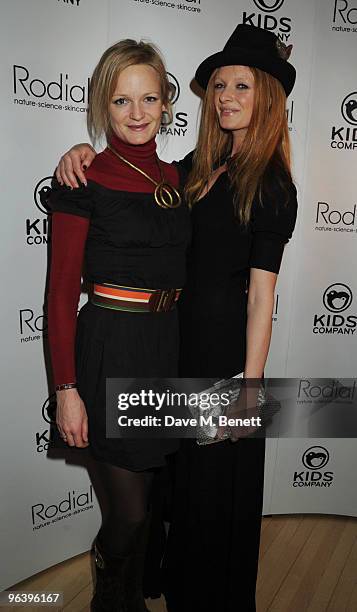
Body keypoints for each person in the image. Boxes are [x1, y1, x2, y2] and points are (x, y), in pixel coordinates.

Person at [55, 24, 297, 612]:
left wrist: (251, 384)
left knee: (212, 499)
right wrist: (79, 150)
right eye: (218, 85)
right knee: (172, 496)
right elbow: (136, 175)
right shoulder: (194, 168)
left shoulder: (271, 183)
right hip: (168, 350)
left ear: (267, 96)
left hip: (221, 363)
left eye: (242, 85)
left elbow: (263, 296)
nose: (226, 97)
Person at [47, 39, 190, 611]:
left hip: (164, 348)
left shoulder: (181, 179)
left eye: (149, 98)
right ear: (102, 106)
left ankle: (129, 599)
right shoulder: (83, 179)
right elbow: (59, 294)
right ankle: (108, 598)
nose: (136, 112)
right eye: (121, 100)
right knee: (128, 513)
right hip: (109, 348)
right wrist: (66, 390)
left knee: (148, 501)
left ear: (166, 103)